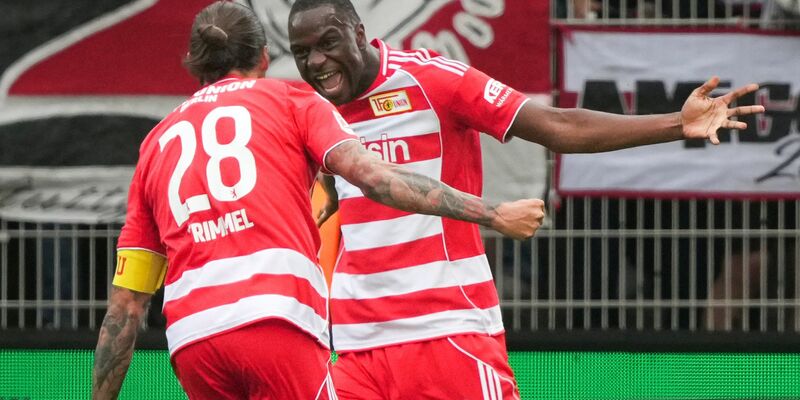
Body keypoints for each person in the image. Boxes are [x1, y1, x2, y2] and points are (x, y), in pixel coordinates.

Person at [286, 1, 766, 398]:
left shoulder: (432, 80)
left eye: (328, 44)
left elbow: (557, 127)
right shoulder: (311, 108)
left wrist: (674, 125)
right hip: (353, 343)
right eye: (302, 53)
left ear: (359, 32)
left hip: (444, 327)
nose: (316, 62)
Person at [90, 2, 544, 399]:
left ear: (193, 63)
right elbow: (376, 178)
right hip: (275, 321)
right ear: (265, 57)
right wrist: (493, 213)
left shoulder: (156, 143)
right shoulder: (290, 100)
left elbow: (125, 306)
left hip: (192, 339)